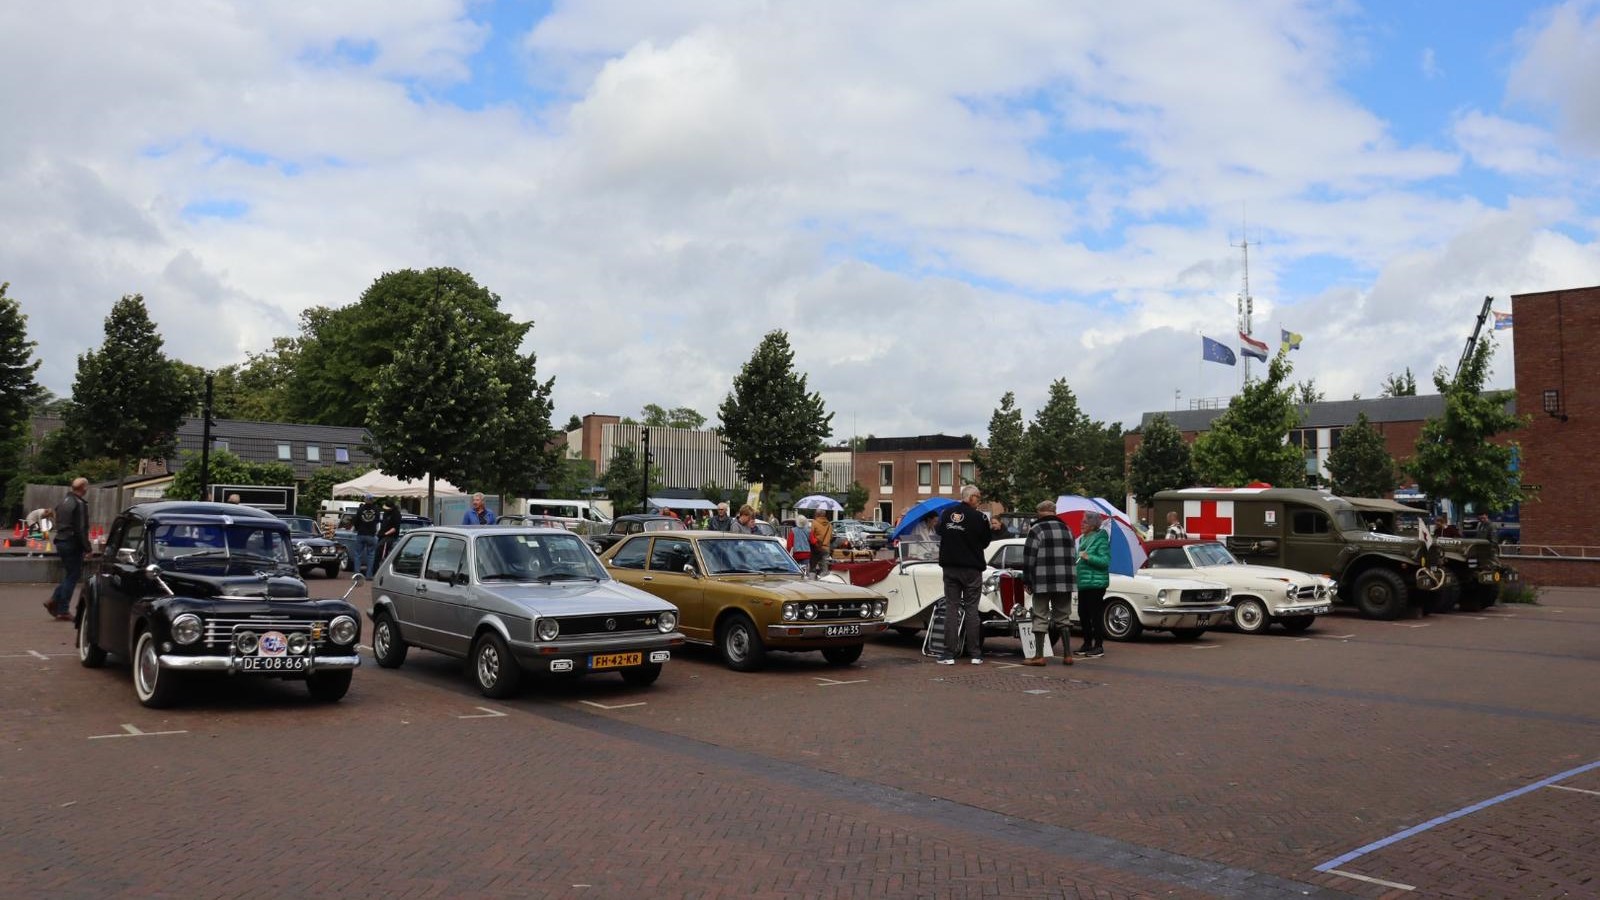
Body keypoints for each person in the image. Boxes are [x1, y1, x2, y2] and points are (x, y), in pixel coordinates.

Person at [936, 485, 1002, 665]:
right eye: (978, 497)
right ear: (971, 497)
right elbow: (986, 542)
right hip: (972, 569)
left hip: (950, 567)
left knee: (951, 608)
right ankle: (975, 653)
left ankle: (948, 653)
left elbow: (939, 532)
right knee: (972, 610)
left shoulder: (947, 513)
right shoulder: (980, 517)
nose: (979, 500)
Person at [1021, 500, 1075, 666]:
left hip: (1042, 579)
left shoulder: (1036, 529)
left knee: (1040, 615)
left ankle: (1039, 656)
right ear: (1054, 511)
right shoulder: (1068, 529)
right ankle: (1067, 655)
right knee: (1063, 617)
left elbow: (1029, 557)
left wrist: (1027, 580)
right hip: (1065, 580)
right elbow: (1073, 554)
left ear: (1039, 512)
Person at [46, 478, 90, 621]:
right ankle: (63, 609)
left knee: (70, 574)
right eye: (86, 486)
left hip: (61, 541)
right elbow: (81, 528)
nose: (87, 488)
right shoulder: (79, 504)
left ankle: (53, 600)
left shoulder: (64, 501)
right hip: (72, 542)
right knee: (73, 576)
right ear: (83, 487)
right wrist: (87, 547)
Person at [1075, 510, 1111, 658]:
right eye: (1082, 521)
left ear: (1092, 524)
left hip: (1096, 584)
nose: (1081, 524)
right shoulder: (1084, 539)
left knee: (1094, 615)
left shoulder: (1100, 539)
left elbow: (1105, 562)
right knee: (1082, 613)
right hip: (1084, 583)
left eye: (1085, 522)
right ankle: (1087, 643)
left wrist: (1088, 557)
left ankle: (1098, 645)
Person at [353, 493, 382, 576]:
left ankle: (357, 574)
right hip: (371, 534)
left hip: (361, 533)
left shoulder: (360, 509)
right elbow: (377, 521)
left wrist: (358, 528)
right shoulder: (376, 510)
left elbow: (356, 521)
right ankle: (369, 574)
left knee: (358, 555)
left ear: (365, 500)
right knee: (371, 555)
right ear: (372, 500)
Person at [378, 499, 402, 564]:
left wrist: (385, 534)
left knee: (381, 548)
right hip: (382, 536)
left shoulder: (396, 515)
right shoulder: (386, 514)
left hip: (389, 537)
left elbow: (395, 528)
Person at [809, 511, 833, 577]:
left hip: (816, 548)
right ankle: (824, 581)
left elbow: (811, 535)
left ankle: (812, 581)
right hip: (826, 548)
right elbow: (831, 537)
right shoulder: (829, 525)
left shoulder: (814, 523)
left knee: (813, 567)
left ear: (817, 514)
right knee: (824, 569)